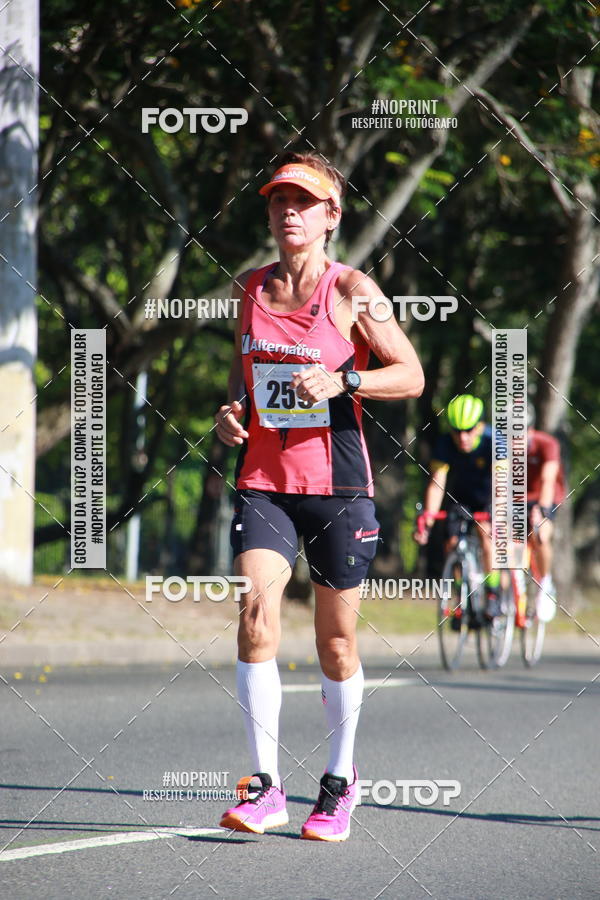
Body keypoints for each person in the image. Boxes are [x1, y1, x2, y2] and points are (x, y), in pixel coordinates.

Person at [214, 150, 424, 841]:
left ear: (332, 215)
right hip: (265, 482)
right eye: (279, 201)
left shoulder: (353, 289)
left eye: (304, 202)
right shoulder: (251, 288)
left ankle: (338, 783)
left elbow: (411, 375)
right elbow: (246, 384)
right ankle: (265, 789)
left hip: (337, 485)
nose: (289, 213)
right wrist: (231, 414)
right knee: (254, 617)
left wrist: (347, 382)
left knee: (335, 644)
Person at [414, 394, 501, 620]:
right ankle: (462, 595)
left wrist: (499, 512)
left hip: (490, 497)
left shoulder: (495, 441)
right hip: (461, 498)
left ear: (480, 426)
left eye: (469, 430)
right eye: (456, 431)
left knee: (486, 534)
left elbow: (503, 484)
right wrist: (428, 521)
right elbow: (436, 484)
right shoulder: (444, 444)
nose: (462, 437)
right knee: (451, 543)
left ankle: (492, 594)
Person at [526, 404, 566, 621]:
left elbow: (548, 479)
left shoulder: (547, 444)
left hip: (545, 496)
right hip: (517, 498)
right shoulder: (500, 445)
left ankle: (545, 583)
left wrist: (541, 511)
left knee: (540, 534)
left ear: (530, 430)